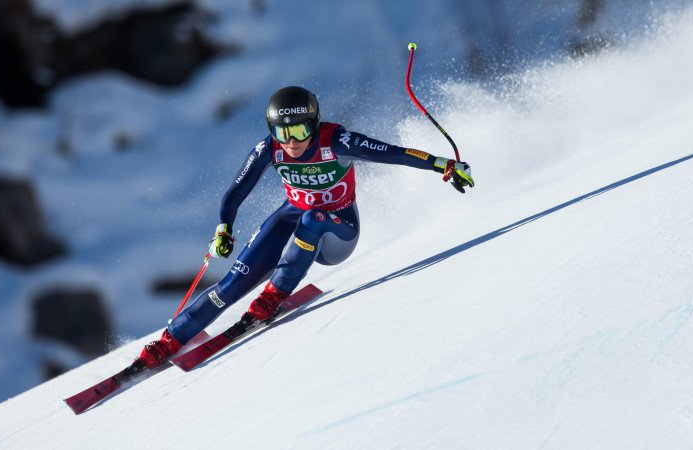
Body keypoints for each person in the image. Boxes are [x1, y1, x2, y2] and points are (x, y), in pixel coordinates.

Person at [136, 86, 474, 368]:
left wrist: (442, 164)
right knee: (232, 282)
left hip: (337, 232)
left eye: (299, 131)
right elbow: (235, 192)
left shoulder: (335, 141)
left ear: (314, 124)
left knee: (313, 217)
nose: (292, 141)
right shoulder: (270, 149)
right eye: (283, 133)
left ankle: (274, 295)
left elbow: (392, 153)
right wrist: (224, 228)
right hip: (292, 217)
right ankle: (170, 339)